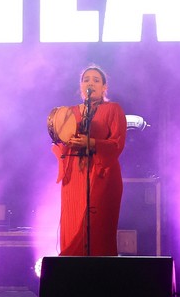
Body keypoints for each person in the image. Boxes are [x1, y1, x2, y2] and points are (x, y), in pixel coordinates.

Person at [50, 64, 127, 256]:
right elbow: (62, 144)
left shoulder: (113, 109)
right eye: (86, 80)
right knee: (74, 221)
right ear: (80, 86)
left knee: (97, 223)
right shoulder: (70, 112)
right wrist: (66, 140)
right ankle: (71, 274)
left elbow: (117, 143)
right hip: (75, 173)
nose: (90, 83)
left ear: (104, 87)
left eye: (96, 80)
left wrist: (91, 142)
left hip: (103, 173)